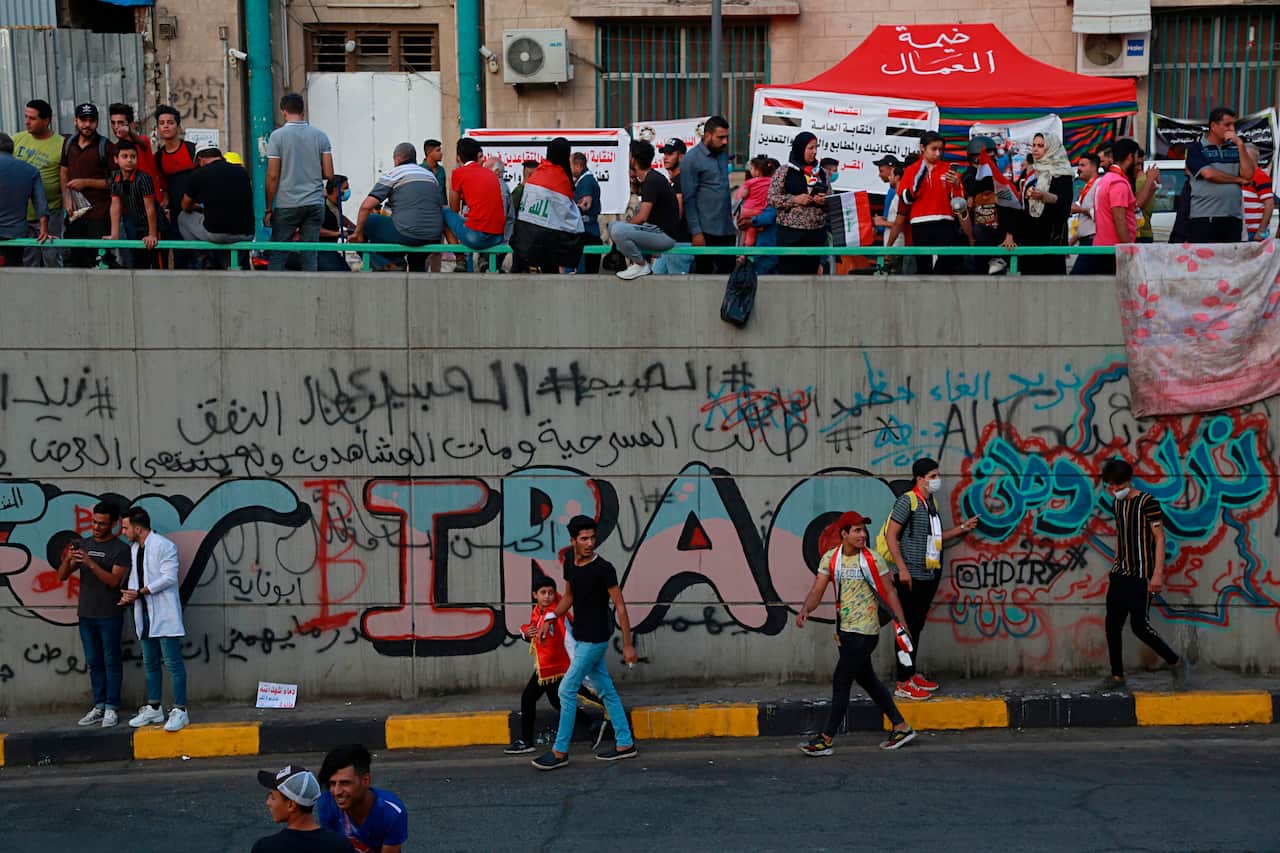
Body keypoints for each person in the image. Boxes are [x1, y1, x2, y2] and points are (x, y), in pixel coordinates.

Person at [795, 512, 918, 754]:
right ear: (844, 534)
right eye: (857, 530)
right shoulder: (831, 559)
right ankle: (901, 726)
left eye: (864, 530)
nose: (862, 535)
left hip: (866, 632)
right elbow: (818, 589)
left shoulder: (872, 559)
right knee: (868, 680)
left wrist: (902, 623)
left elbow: (890, 592)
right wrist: (805, 610)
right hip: (845, 631)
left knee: (841, 680)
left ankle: (826, 739)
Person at [532, 515, 639, 769]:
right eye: (584, 539)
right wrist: (551, 617)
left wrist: (627, 644)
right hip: (580, 636)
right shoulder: (569, 562)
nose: (590, 543)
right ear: (573, 541)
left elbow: (621, 607)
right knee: (606, 690)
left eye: (592, 538)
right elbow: (569, 596)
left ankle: (560, 752)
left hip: (596, 639)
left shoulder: (604, 568)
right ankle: (625, 743)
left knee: (565, 690)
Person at [883, 458, 978, 701]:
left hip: (928, 573)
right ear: (920, 479)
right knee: (906, 628)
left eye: (937, 474)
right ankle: (903, 682)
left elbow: (934, 538)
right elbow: (891, 535)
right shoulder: (908, 501)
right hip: (911, 575)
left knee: (915, 627)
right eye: (933, 475)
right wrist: (902, 569)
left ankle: (911, 674)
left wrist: (962, 528)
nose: (937, 479)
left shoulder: (929, 502)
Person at [1099, 459, 1189, 692]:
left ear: (1128, 481)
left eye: (1117, 486)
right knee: (1112, 625)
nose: (1113, 491)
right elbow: (1121, 533)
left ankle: (1176, 662)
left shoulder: (1147, 502)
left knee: (1139, 626)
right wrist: (1115, 563)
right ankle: (1117, 677)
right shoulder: (1117, 504)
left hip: (1141, 575)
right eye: (1110, 487)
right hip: (1120, 574)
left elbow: (1160, 538)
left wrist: (1157, 575)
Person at [55, 501, 130, 728]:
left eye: (102, 524)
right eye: (94, 522)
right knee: (94, 662)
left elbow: (114, 581)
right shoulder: (84, 543)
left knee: (111, 662)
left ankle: (111, 707)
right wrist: (69, 559)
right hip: (86, 614)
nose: (96, 527)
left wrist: (90, 562)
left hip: (109, 614)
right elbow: (61, 576)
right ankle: (98, 705)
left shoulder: (121, 549)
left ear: (113, 524)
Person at [119, 507, 189, 732]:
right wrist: (129, 595)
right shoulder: (134, 549)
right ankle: (155, 707)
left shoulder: (164, 545)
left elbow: (169, 578)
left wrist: (140, 592)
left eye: (126, 527)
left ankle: (180, 710)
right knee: (150, 663)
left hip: (163, 612)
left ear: (138, 528)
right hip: (144, 612)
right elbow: (134, 578)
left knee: (172, 663)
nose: (123, 531)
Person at [265, 92, 334, 271]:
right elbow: (329, 173)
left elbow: (273, 175)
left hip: (287, 203)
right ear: (303, 111)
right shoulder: (321, 136)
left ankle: (273, 294)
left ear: (283, 112)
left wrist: (268, 208)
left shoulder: (277, 137)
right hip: (314, 202)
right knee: (310, 254)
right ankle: (311, 294)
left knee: (279, 253)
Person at [505, 574, 572, 754]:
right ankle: (592, 724)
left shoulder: (554, 613)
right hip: (548, 665)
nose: (547, 596)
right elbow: (533, 631)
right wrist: (527, 631)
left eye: (550, 592)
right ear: (535, 594)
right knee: (557, 701)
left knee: (528, 697)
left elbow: (554, 635)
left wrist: (531, 633)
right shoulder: (538, 611)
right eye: (543, 592)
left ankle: (526, 741)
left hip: (553, 665)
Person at [353, 143, 444, 272]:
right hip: (432, 236)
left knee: (369, 221)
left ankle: (390, 263)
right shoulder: (431, 176)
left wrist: (357, 234)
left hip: (407, 234)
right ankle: (416, 272)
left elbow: (366, 207)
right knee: (416, 256)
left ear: (397, 159)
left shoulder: (394, 174)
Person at [891, 132, 966, 274]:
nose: (938, 153)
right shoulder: (911, 171)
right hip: (920, 223)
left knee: (945, 266)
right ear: (922, 148)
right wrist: (916, 185)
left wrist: (956, 185)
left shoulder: (948, 169)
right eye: (934, 149)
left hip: (945, 222)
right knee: (923, 268)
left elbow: (959, 203)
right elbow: (905, 199)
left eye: (941, 149)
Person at [509, 137, 586, 274]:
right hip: (548, 241)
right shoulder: (562, 178)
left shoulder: (538, 172)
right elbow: (565, 213)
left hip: (525, 237)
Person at [608, 139, 681, 281]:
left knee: (617, 230)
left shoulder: (652, 180)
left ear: (634, 159)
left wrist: (622, 231)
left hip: (664, 236)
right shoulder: (649, 179)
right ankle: (639, 263)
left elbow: (642, 217)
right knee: (614, 227)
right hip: (654, 231)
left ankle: (640, 264)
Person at [317, 744, 409, 852]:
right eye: (332, 783)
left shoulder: (392, 812)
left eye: (345, 783)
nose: (337, 792)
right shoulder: (327, 802)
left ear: (366, 780)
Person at [1185, 106, 1255, 243]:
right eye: (1227, 125)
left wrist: (1240, 145)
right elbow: (1209, 174)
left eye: (1234, 125)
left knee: (1231, 262)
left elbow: (1248, 175)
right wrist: (1237, 179)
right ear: (1213, 126)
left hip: (1233, 217)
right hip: (1205, 217)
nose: (1232, 129)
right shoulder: (1196, 148)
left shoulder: (1236, 149)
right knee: (1205, 261)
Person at [179, 148, 256, 269]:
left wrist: (198, 207)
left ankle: (204, 257)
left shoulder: (199, 174)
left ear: (201, 160)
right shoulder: (242, 172)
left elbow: (185, 206)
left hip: (218, 235)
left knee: (183, 217)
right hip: (247, 234)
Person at [59, 102, 114, 268]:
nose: (87, 125)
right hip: (75, 216)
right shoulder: (69, 144)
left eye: (91, 120)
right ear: (75, 121)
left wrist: (86, 183)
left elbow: (115, 182)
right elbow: (63, 171)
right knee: (75, 261)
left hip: (99, 216)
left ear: (97, 122)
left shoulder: (106, 147)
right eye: (83, 120)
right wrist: (67, 199)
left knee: (100, 262)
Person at [767, 131, 828, 275]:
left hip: (815, 235)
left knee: (810, 278)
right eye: (810, 148)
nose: (814, 152)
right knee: (790, 276)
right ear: (800, 149)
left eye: (816, 148)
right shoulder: (784, 171)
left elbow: (830, 198)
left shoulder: (822, 173)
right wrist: (794, 199)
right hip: (790, 235)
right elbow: (771, 198)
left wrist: (823, 200)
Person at [13, 98, 65, 267]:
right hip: (22, 214)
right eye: (26, 117)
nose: (27, 122)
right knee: (29, 259)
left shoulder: (61, 145)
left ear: (46, 120)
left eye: (32, 118)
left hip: (50, 214)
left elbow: (65, 179)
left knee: (52, 258)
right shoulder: (17, 140)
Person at [253, 765, 351, 853]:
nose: (268, 802)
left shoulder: (265, 848)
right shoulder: (341, 845)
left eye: (273, 797)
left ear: (291, 805)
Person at [681, 115, 735, 273]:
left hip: (726, 230)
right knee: (705, 279)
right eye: (720, 137)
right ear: (707, 135)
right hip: (705, 232)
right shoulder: (692, 159)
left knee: (728, 278)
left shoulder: (722, 154)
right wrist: (696, 232)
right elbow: (688, 199)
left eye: (726, 137)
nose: (725, 142)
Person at [1017, 132, 1073, 275]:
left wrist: (1047, 197)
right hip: (1029, 238)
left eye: (1041, 146)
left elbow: (1065, 207)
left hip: (1050, 238)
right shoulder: (1031, 172)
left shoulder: (1062, 174)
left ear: (1051, 148)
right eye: (1034, 145)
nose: (1035, 149)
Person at [961, 138, 1018, 275]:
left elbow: (1012, 209)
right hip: (976, 241)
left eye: (992, 158)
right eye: (984, 159)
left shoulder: (1001, 182)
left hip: (999, 240)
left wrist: (1009, 235)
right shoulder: (966, 180)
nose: (990, 163)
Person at [447, 137, 506, 266]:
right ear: (477, 155)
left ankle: (459, 259)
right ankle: (483, 259)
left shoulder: (458, 173)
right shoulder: (491, 174)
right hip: (498, 237)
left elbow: (454, 209)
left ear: (458, 158)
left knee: (443, 212)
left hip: (476, 238)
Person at [1086, 137, 1140, 275]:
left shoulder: (1106, 179)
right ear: (1130, 157)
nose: (1139, 164)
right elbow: (1119, 219)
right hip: (1114, 252)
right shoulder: (1118, 183)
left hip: (1103, 248)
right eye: (1137, 159)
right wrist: (1129, 251)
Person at [153, 105, 198, 266]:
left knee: (200, 258)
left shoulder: (192, 149)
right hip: (175, 218)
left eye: (170, 122)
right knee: (180, 260)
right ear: (158, 128)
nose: (166, 126)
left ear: (178, 126)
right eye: (162, 123)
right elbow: (163, 188)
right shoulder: (158, 158)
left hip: (197, 214)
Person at [107, 139, 160, 269]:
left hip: (152, 223)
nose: (129, 160)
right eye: (124, 156)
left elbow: (150, 208)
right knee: (135, 259)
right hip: (133, 222)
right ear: (116, 159)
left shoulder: (144, 178)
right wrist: (114, 234)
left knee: (154, 261)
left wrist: (152, 234)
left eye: (133, 156)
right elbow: (115, 206)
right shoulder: (114, 177)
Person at [0, 132, 50, 267]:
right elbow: (41, 204)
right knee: (14, 271)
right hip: (15, 235)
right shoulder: (31, 170)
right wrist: (44, 230)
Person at [653, 138, 694, 275]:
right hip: (670, 242)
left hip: (680, 243)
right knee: (655, 280)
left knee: (678, 289)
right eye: (665, 154)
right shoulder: (674, 182)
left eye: (670, 154)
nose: (665, 158)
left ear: (681, 157)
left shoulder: (682, 180)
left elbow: (677, 214)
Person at [108, 103, 160, 200]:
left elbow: (142, 144)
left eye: (120, 123)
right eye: (113, 123)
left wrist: (129, 131)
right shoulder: (114, 149)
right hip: (131, 206)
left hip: (152, 202)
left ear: (131, 124)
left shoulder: (142, 141)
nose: (116, 127)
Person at [571, 152, 602, 273]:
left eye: (570, 165)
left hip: (588, 234)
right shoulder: (582, 180)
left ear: (578, 166)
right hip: (586, 232)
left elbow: (586, 204)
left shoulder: (586, 181)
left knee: (586, 276)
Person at [318, 174, 355, 272]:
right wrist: (338, 234)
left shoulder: (335, 205)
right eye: (345, 188)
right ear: (335, 189)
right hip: (320, 250)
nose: (347, 191)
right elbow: (316, 229)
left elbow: (340, 217)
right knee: (340, 271)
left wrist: (354, 227)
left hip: (330, 249)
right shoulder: (322, 207)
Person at [736, 155, 774, 247]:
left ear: (757, 171)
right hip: (760, 211)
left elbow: (743, 195)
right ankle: (758, 229)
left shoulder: (750, 182)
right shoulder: (771, 182)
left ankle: (743, 252)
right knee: (753, 229)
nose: (750, 170)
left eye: (752, 168)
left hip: (747, 210)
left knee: (747, 231)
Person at [1242, 144, 1273, 241]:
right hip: (1243, 231)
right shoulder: (1240, 176)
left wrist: (1261, 231)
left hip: (1254, 232)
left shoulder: (1260, 177)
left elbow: (1269, 205)